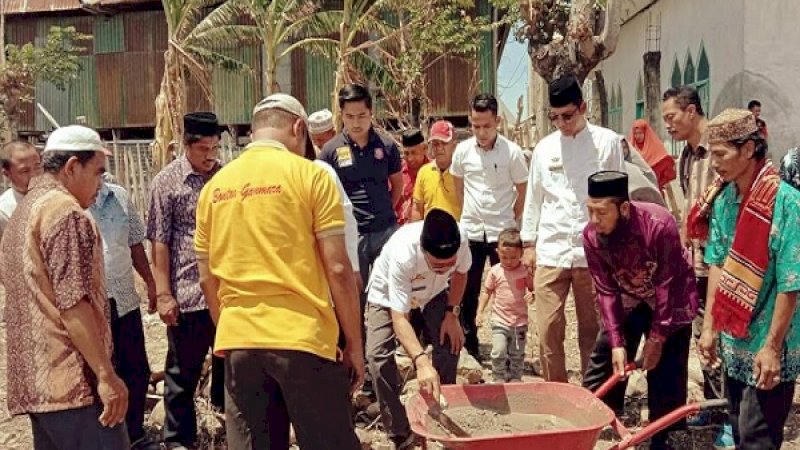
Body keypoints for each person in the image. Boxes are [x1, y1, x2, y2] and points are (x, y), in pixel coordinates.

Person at [194, 93, 364, 450]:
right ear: (299, 128)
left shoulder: (213, 189)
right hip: (303, 339)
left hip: (239, 345)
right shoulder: (311, 176)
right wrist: (354, 344)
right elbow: (337, 267)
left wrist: (230, 328)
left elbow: (207, 276)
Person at [0, 125, 129, 449]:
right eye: (98, 172)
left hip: (37, 388)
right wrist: (105, 375)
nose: (101, 186)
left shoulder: (24, 211)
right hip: (74, 387)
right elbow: (73, 304)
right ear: (72, 167)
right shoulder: (66, 213)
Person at [693, 109, 800, 450]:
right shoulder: (725, 201)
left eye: (721, 154)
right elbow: (718, 266)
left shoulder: (786, 203)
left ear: (749, 149)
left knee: (758, 440)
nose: (714, 163)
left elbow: (791, 281)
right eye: (711, 153)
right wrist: (710, 327)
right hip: (735, 342)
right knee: (740, 434)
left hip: (771, 344)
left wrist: (771, 348)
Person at [581, 171, 698, 450]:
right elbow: (606, 290)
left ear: (623, 208)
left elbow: (667, 284)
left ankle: (665, 434)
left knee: (666, 368)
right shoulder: (591, 236)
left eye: (600, 212)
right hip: (629, 295)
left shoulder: (658, 225)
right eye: (589, 211)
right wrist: (617, 343)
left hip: (671, 296)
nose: (594, 220)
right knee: (606, 356)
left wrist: (657, 338)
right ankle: (595, 423)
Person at [520, 73, 623, 382]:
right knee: (548, 329)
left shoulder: (607, 143)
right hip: (551, 250)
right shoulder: (544, 148)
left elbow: (618, 197)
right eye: (555, 118)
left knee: (592, 330)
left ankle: (592, 396)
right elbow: (534, 199)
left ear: (583, 107)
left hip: (593, 253)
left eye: (568, 115)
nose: (562, 123)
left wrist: (615, 246)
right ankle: (556, 392)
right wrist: (528, 244)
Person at [147, 112, 225, 449]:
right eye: (204, 149)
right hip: (189, 294)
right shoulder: (166, 183)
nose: (211, 155)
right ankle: (179, 440)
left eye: (215, 147)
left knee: (230, 368)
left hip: (225, 294)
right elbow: (159, 241)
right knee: (181, 373)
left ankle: (227, 430)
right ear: (186, 145)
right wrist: (163, 294)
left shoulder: (225, 178)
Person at [365, 208, 470, 449]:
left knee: (451, 340)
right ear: (423, 251)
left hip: (433, 292)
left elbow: (461, 274)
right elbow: (400, 317)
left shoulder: (461, 239)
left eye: (448, 263)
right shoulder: (404, 252)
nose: (444, 268)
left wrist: (452, 313)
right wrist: (421, 362)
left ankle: (443, 409)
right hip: (387, 295)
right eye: (437, 264)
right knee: (377, 356)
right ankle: (399, 429)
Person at [662, 85, 732, 447]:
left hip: (726, 258)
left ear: (691, 111)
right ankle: (714, 406)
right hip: (698, 261)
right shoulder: (686, 156)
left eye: (672, 117)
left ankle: (731, 416)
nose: (668, 126)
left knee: (723, 333)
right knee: (704, 333)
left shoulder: (721, 150)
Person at [450, 93, 529, 359]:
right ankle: (470, 348)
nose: (481, 132)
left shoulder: (512, 152)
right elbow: (459, 189)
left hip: (501, 235)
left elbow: (522, 190)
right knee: (468, 292)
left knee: (507, 293)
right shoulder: (462, 152)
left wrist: (511, 221)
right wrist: (467, 215)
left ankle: (509, 350)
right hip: (471, 232)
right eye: (475, 125)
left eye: (486, 125)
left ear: (497, 121)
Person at [88, 177, 160, 450]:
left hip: (125, 299)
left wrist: (151, 284)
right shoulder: (67, 203)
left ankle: (133, 433)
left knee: (136, 369)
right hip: (90, 306)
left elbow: (135, 245)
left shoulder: (118, 196)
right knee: (100, 372)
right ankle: (105, 437)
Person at [319, 84, 403, 313]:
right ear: (341, 115)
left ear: (371, 113)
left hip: (385, 231)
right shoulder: (330, 151)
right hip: (350, 236)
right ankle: (357, 345)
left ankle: (388, 342)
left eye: (362, 116)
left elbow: (397, 185)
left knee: (390, 290)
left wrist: (385, 211)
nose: (356, 123)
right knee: (354, 295)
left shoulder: (386, 146)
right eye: (349, 116)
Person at [477, 228, 533, 383]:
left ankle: (516, 378)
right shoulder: (495, 271)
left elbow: (532, 288)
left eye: (513, 257)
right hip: (500, 320)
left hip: (519, 321)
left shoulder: (525, 271)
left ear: (521, 253)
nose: (508, 261)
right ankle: (498, 377)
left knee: (517, 353)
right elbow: (487, 291)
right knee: (498, 351)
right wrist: (480, 312)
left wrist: (531, 294)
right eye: (504, 257)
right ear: (497, 252)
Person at [412, 120, 461, 221]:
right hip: (429, 234)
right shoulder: (424, 172)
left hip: (457, 233)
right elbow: (417, 209)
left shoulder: (463, 173)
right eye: (435, 144)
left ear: (454, 145)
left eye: (444, 143)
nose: (439, 148)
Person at [0, 140, 43, 240]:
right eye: (25, 171)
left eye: (37, 166)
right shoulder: (4, 212)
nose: (34, 175)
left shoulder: (56, 196)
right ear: (7, 174)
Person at [629, 119, 676, 191]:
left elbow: (664, 162)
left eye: (640, 133)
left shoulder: (655, 146)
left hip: (654, 190)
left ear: (646, 133)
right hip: (636, 191)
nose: (637, 136)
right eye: (635, 133)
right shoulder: (631, 148)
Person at [620, 137, 666, 206]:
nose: (623, 151)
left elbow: (649, 177)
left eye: (625, 147)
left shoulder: (635, 166)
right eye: (619, 148)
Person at [396, 128, 429, 225]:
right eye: (406, 153)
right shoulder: (397, 172)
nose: (410, 158)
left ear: (424, 149)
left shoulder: (434, 171)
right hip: (400, 230)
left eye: (414, 153)